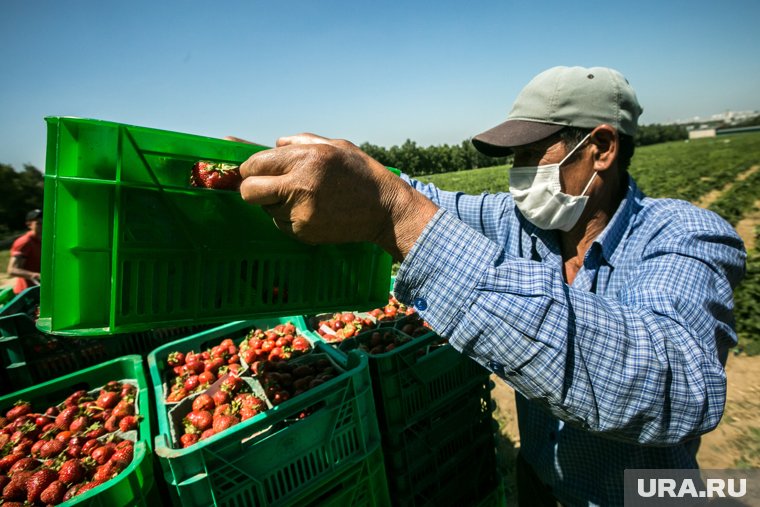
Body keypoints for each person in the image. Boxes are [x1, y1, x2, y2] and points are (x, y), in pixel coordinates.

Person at [237, 66, 746, 506]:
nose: (519, 176)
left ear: (603, 148)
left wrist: (396, 214)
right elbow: (419, 195)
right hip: (540, 481)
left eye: (532, 154)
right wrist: (303, 171)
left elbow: (672, 388)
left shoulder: (686, 236)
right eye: (514, 159)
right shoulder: (521, 222)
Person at [7, 209, 43, 294]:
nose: (43, 224)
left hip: (41, 291)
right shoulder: (24, 242)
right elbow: (12, 270)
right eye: (38, 222)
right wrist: (36, 275)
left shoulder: (46, 241)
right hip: (27, 296)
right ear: (29, 224)